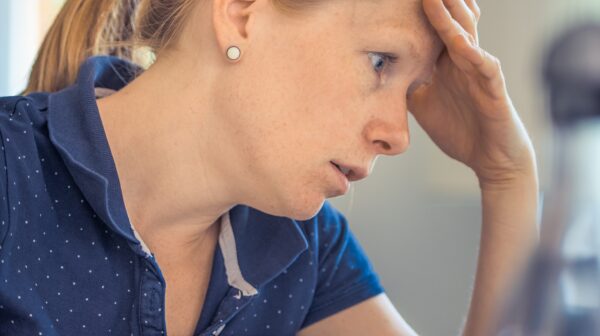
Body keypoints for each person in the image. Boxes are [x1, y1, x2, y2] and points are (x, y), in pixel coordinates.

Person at [0, 0, 539, 335]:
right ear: (241, 13)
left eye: (413, 90)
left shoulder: (302, 247)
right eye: (380, 62)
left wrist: (507, 174)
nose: (398, 136)